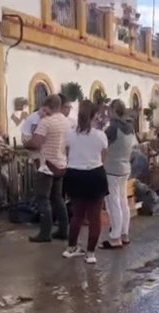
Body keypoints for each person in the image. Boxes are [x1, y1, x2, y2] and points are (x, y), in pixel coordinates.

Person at [62, 100, 109, 264]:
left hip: (75, 174)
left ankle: (71, 248)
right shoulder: (100, 135)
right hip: (95, 174)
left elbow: (67, 153)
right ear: (94, 116)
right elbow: (104, 154)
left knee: (77, 215)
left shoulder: (70, 134)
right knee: (94, 217)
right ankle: (90, 254)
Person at [25, 94, 71, 242]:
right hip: (61, 164)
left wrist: (26, 142)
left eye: (44, 108)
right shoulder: (66, 122)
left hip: (46, 165)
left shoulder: (46, 122)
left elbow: (36, 144)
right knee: (58, 198)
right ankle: (63, 230)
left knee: (43, 198)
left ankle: (45, 233)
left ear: (48, 106)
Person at [101, 99, 137, 249]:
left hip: (111, 169)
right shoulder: (130, 128)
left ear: (113, 111)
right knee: (123, 202)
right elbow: (135, 146)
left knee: (113, 203)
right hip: (125, 167)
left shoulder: (112, 129)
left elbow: (102, 145)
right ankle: (124, 233)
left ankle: (115, 237)